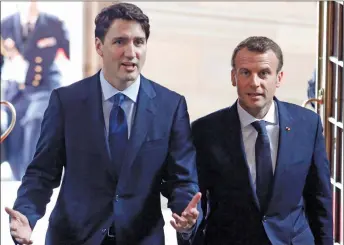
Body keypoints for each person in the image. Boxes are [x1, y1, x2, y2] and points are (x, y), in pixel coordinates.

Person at [5, 3, 202, 245]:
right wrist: (26, 215)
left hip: (140, 239)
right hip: (73, 238)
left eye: (139, 42)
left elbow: (181, 179)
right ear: (99, 46)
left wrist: (186, 215)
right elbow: (42, 173)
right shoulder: (66, 101)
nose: (131, 52)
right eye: (120, 42)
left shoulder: (171, 106)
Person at [190, 36, 333, 245]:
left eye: (264, 73)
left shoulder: (307, 125)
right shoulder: (205, 130)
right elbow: (196, 204)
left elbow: (319, 198)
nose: (254, 82)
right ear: (233, 77)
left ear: (279, 78)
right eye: (245, 72)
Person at [1, 1, 70, 180]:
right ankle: (19, 178)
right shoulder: (6, 24)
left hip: (45, 87)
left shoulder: (54, 23)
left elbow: (69, 55)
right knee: (13, 134)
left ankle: (33, 179)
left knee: (36, 121)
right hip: (17, 90)